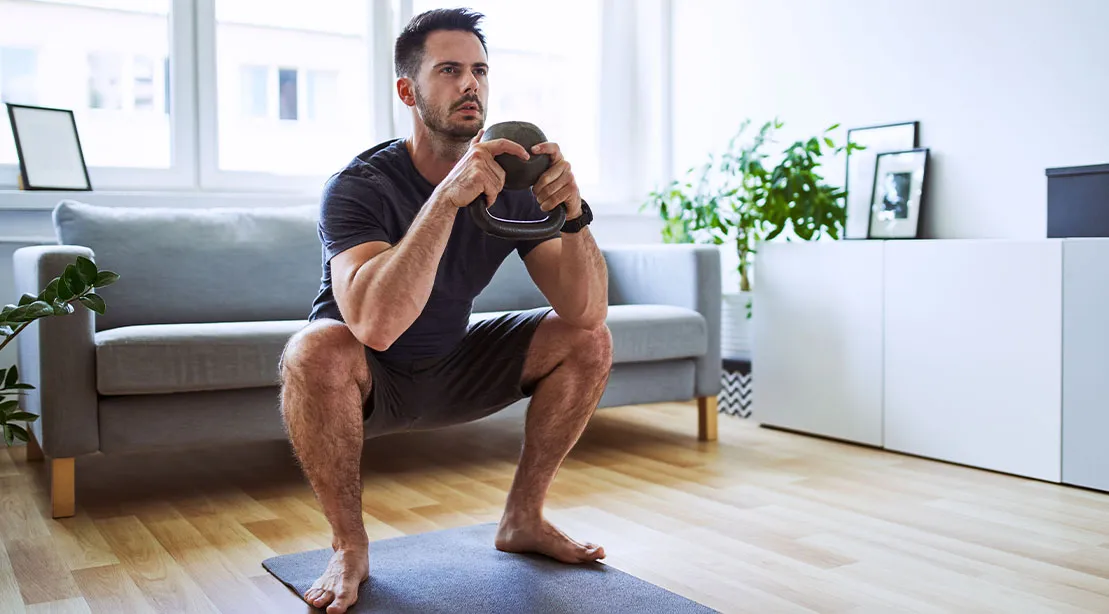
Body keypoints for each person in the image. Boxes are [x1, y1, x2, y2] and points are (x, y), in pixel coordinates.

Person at [277, 7, 613, 613]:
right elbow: (376, 326)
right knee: (313, 348)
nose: (470, 85)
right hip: (367, 376)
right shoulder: (360, 185)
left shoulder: (511, 183)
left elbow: (585, 312)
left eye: (479, 71)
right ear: (408, 91)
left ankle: (524, 518)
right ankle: (348, 546)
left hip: (452, 365)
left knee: (589, 340)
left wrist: (573, 213)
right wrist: (446, 198)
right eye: (450, 70)